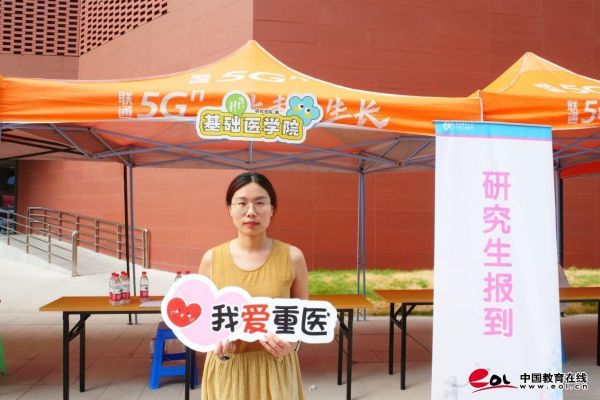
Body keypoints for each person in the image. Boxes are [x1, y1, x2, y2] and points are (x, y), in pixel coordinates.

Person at [198, 172, 308, 400]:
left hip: (276, 369)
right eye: (242, 203)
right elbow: (202, 319)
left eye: (260, 203)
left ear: (272, 209)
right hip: (227, 370)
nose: (251, 212)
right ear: (230, 209)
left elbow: (302, 315)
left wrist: (293, 342)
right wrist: (215, 342)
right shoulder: (211, 259)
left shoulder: (293, 257)